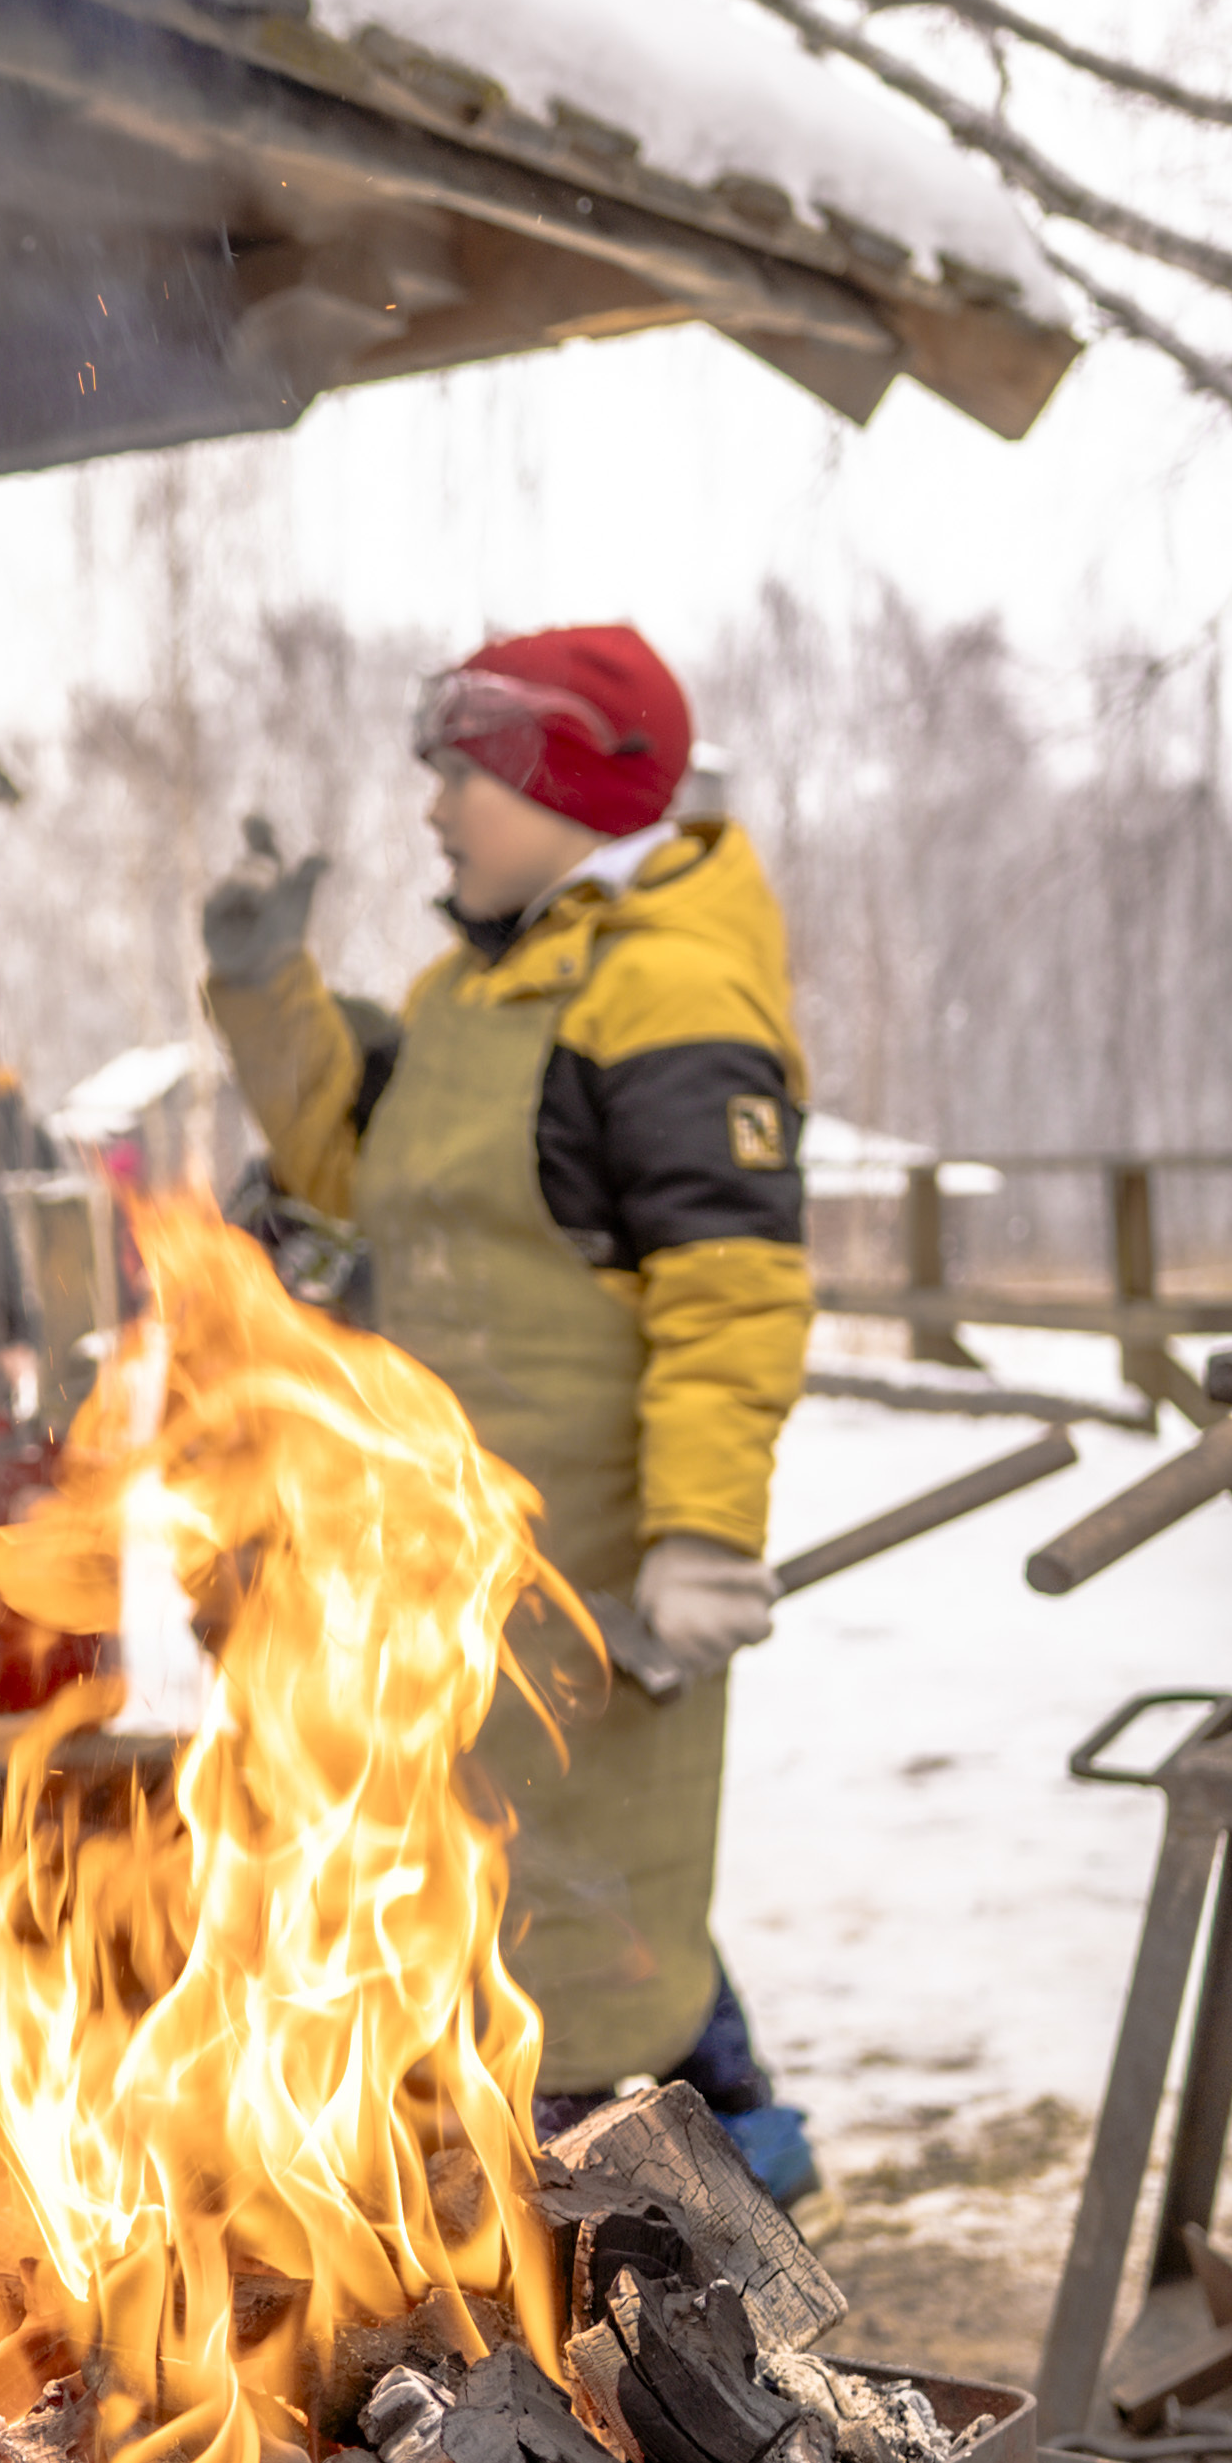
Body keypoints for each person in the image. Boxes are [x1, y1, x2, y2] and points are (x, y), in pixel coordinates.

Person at [200, 627, 817, 2193]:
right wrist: (264, 991)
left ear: (564, 787)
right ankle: (650, 2206)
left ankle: (703, 2223)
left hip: (588, 1579)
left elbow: (728, 1286)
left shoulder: (665, 991)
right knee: (496, 1913)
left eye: (462, 776)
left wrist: (700, 1536)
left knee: (584, 1944)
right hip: (442, 1562)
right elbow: (359, 1179)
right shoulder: (472, 989)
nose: (432, 809)